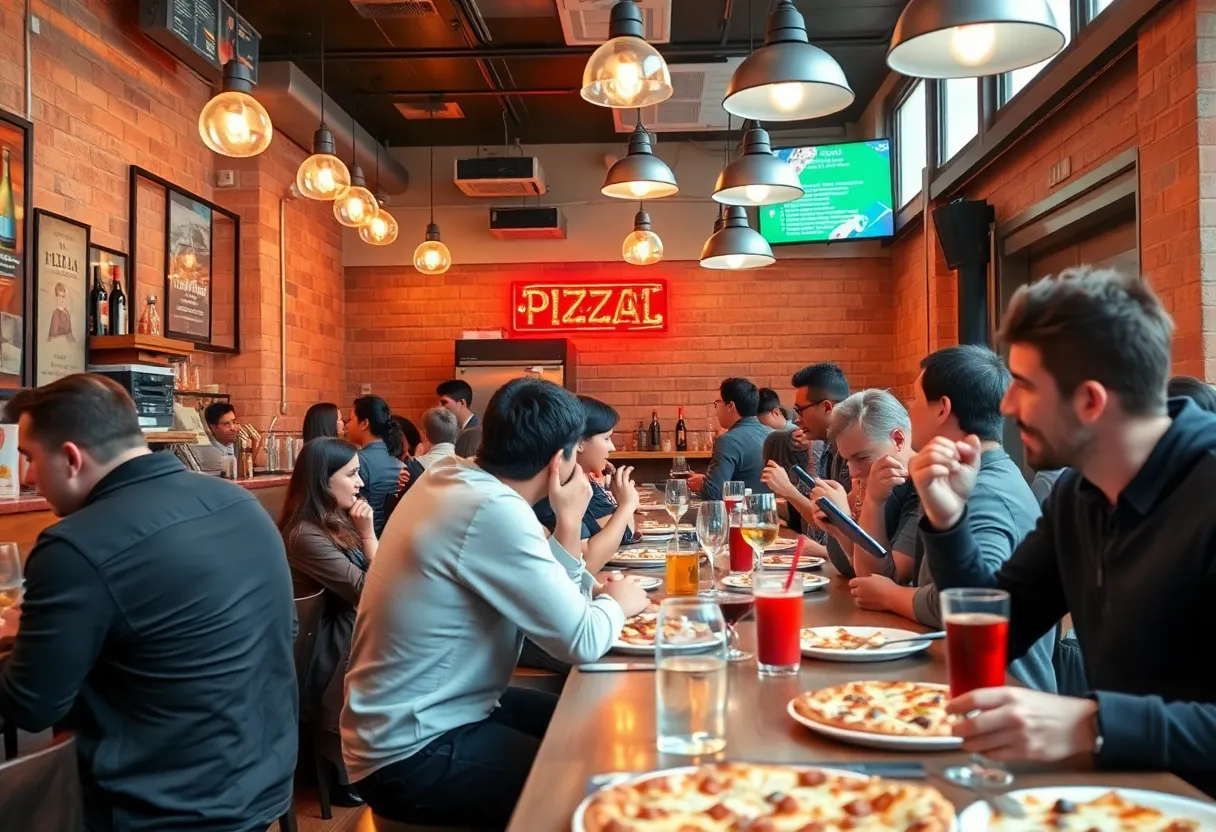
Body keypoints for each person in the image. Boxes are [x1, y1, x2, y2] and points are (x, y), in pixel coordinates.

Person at [912, 266, 1216, 796]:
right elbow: (997, 629)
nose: (1005, 406)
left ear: (1091, 401)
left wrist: (1089, 724)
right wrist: (949, 518)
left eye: (1024, 386)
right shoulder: (1080, 494)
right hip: (1114, 798)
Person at [341, 378, 649, 826]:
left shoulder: (454, 478)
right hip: (411, 751)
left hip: (441, 711)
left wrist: (571, 534)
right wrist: (618, 602)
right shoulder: (491, 509)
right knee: (601, 778)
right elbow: (581, 640)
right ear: (560, 460)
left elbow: (561, 595)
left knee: (601, 723)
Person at [0, 374, 296, 831]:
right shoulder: (239, 503)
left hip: (158, 807)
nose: (29, 478)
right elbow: (285, 630)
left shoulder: (75, 545)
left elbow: (31, 706)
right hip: (262, 781)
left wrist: (22, 638)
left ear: (72, 458)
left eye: (30, 458)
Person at [843, 349, 1056, 692]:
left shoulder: (987, 493)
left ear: (942, 407)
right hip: (961, 676)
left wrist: (891, 597)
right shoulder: (967, 478)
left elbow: (973, 610)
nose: (909, 409)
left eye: (915, 397)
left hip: (1007, 694)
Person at [279, 437, 377, 807]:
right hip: (311, 646)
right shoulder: (304, 535)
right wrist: (369, 535)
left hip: (332, 629)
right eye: (352, 474)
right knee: (382, 632)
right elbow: (371, 591)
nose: (360, 483)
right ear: (323, 480)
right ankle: (349, 760)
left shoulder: (332, 519)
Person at [688, 378, 772, 498]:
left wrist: (701, 485)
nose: (716, 409)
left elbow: (713, 492)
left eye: (718, 403)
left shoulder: (727, 441)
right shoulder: (772, 434)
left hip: (742, 513)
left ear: (730, 406)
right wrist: (706, 480)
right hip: (772, 512)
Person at [345, 395, 405, 537]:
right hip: (391, 539)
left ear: (364, 423)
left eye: (350, 419)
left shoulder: (357, 461)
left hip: (365, 540)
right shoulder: (400, 463)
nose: (346, 425)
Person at [196, 402, 263, 476]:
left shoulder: (239, 444)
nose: (233, 428)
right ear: (213, 427)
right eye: (226, 424)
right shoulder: (209, 452)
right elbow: (236, 476)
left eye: (234, 422)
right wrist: (253, 451)